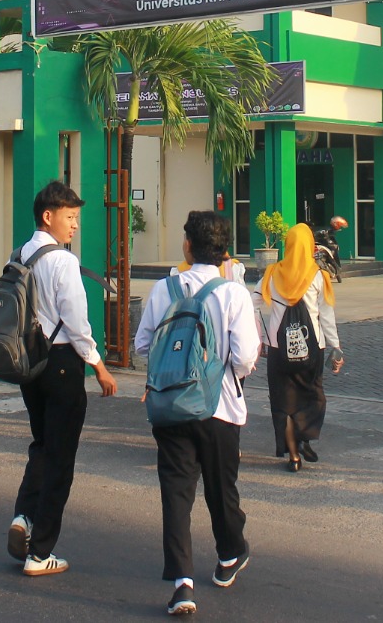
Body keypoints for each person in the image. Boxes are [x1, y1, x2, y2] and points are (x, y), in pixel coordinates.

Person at [134, 210, 260, 616]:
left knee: (176, 493)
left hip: (171, 407)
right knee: (221, 489)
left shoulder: (163, 290)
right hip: (220, 409)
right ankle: (229, 555)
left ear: (188, 246)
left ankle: (182, 584)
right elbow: (245, 357)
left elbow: (142, 345)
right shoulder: (233, 294)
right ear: (225, 252)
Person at [7, 180, 118, 577]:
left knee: (42, 444)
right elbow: (76, 321)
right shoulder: (63, 262)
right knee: (61, 458)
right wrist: (98, 365)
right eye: (70, 217)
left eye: (76, 218)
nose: (75, 225)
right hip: (61, 363)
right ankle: (40, 553)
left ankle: (24, 517)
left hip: (29, 363)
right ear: (48, 216)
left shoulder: (20, 254)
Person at [260, 224, 343, 472]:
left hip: (278, 348)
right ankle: (305, 435)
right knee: (312, 394)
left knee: (283, 401)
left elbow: (251, 302)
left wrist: (261, 336)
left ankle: (294, 456)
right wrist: (335, 346)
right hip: (312, 347)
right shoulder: (318, 276)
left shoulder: (273, 274)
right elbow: (326, 315)